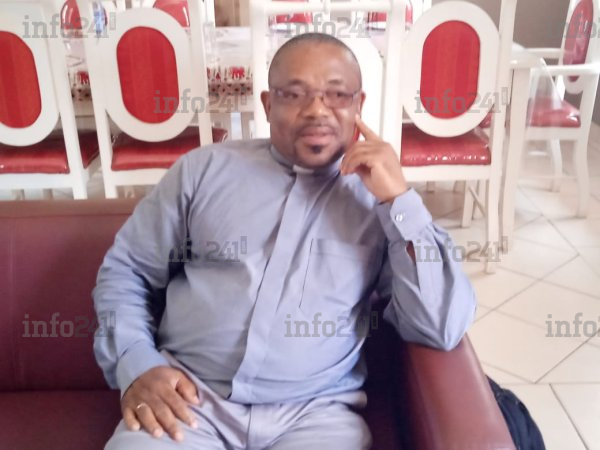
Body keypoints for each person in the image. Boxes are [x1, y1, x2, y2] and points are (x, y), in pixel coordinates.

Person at [94, 32, 476, 449]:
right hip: (188, 400)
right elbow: (127, 270)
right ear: (267, 104)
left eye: (337, 95)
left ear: (358, 106)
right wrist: (136, 363)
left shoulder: (381, 202)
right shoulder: (203, 171)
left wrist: (399, 202)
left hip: (314, 415)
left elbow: (441, 326)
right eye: (294, 95)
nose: (317, 110)